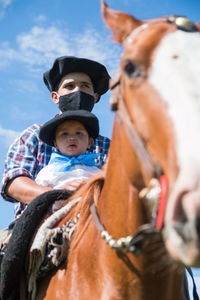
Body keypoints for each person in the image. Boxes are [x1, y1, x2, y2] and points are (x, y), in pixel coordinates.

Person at [1, 56, 111, 218]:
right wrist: (59, 195)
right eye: (69, 86)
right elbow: (14, 184)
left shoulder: (108, 146)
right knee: (9, 242)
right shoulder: (34, 135)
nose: (77, 91)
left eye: (85, 86)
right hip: (38, 217)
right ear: (55, 97)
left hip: (95, 216)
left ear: (94, 97)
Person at [35, 109, 101, 190]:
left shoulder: (97, 173)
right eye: (64, 134)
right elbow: (39, 199)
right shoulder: (48, 172)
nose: (72, 138)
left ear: (90, 142)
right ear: (55, 144)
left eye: (79, 133)